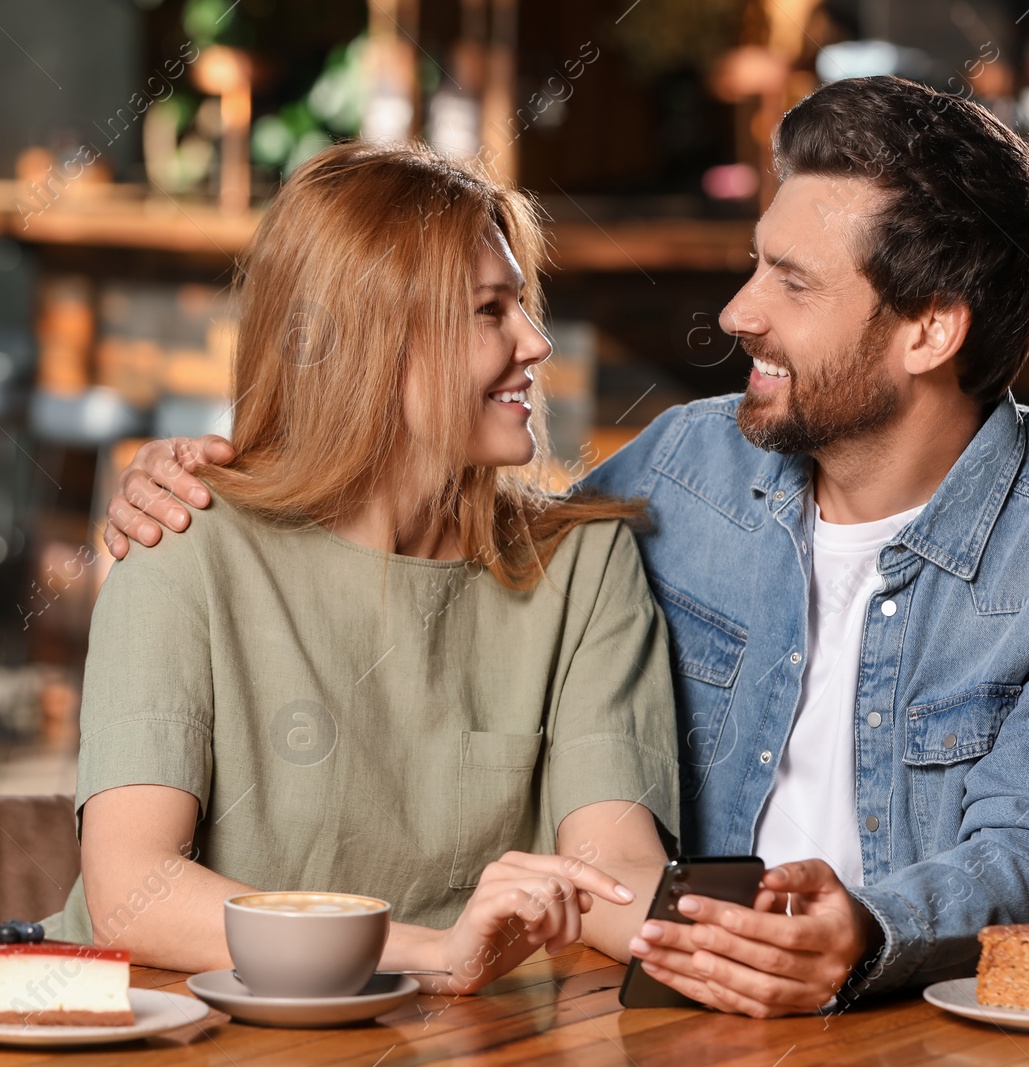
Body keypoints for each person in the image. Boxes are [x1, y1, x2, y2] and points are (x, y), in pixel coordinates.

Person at [104, 76, 1029, 1016]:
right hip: (666, 1004)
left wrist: (859, 930)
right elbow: (431, 512)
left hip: (910, 1012)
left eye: (791, 282)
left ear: (928, 329)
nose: (734, 313)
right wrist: (227, 472)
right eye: (754, 264)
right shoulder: (679, 474)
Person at [45, 141, 681, 995]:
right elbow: (133, 896)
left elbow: (611, 875)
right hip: (174, 1032)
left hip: (436, 1041)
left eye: (522, 303)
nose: (535, 342)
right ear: (375, 339)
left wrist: (773, 944)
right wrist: (428, 950)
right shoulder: (187, 536)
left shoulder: (585, 563)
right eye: (490, 311)